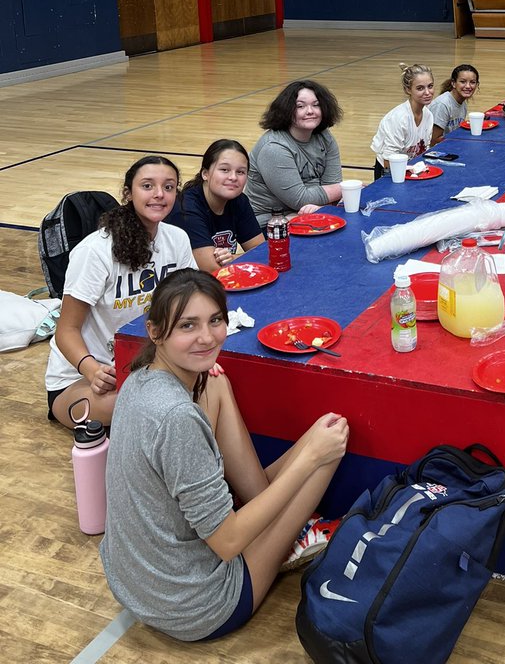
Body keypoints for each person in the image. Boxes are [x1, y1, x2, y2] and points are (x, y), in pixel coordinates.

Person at [99, 270, 348, 642]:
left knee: (216, 382)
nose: (207, 337)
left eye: (214, 320)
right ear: (155, 332)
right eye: (187, 326)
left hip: (135, 585)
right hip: (199, 606)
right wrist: (310, 458)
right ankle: (290, 526)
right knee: (330, 446)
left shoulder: (138, 378)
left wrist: (198, 363)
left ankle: (265, 506)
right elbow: (228, 542)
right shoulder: (177, 418)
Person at [44, 156, 195, 429]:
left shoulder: (177, 239)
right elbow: (65, 331)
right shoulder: (96, 251)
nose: (159, 194)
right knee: (157, 402)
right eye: (147, 186)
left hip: (148, 366)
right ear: (128, 193)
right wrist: (92, 371)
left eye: (169, 187)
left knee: (210, 386)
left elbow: (189, 305)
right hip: (84, 382)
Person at [245, 81, 343, 227]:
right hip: (270, 224)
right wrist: (346, 188)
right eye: (300, 106)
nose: (310, 111)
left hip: (311, 212)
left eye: (316, 105)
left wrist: (320, 206)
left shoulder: (324, 136)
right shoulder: (274, 148)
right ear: (287, 110)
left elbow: (331, 185)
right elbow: (300, 199)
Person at [167, 140, 264, 272]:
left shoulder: (239, 201)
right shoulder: (186, 208)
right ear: (205, 173)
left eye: (240, 172)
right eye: (224, 170)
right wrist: (241, 259)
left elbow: (262, 251)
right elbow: (211, 268)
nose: (233, 177)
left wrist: (232, 258)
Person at [370, 64, 435, 172]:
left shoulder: (428, 115)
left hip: (411, 168)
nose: (427, 92)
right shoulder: (398, 119)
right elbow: (388, 161)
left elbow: (424, 150)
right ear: (408, 90)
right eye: (420, 88)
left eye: (430, 86)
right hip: (389, 171)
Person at [430, 64, 479, 145]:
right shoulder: (442, 105)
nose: (468, 86)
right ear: (453, 83)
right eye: (463, 82)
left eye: (472, 82)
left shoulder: (462, 101)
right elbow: (433, 140)